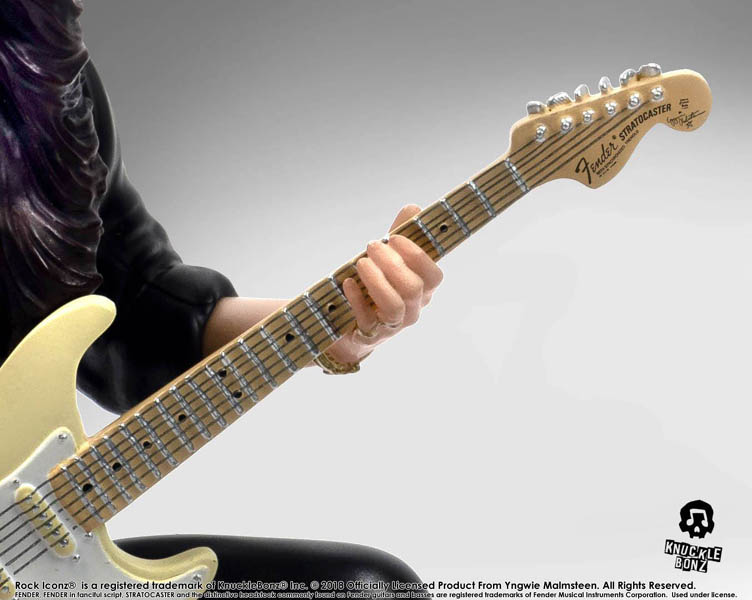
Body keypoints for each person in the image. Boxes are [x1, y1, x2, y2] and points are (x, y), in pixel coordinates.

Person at [0, 0, 442, 589]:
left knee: (368, 587)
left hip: (19, 558)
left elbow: (131, 308)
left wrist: (327, 326)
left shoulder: (42, 76)